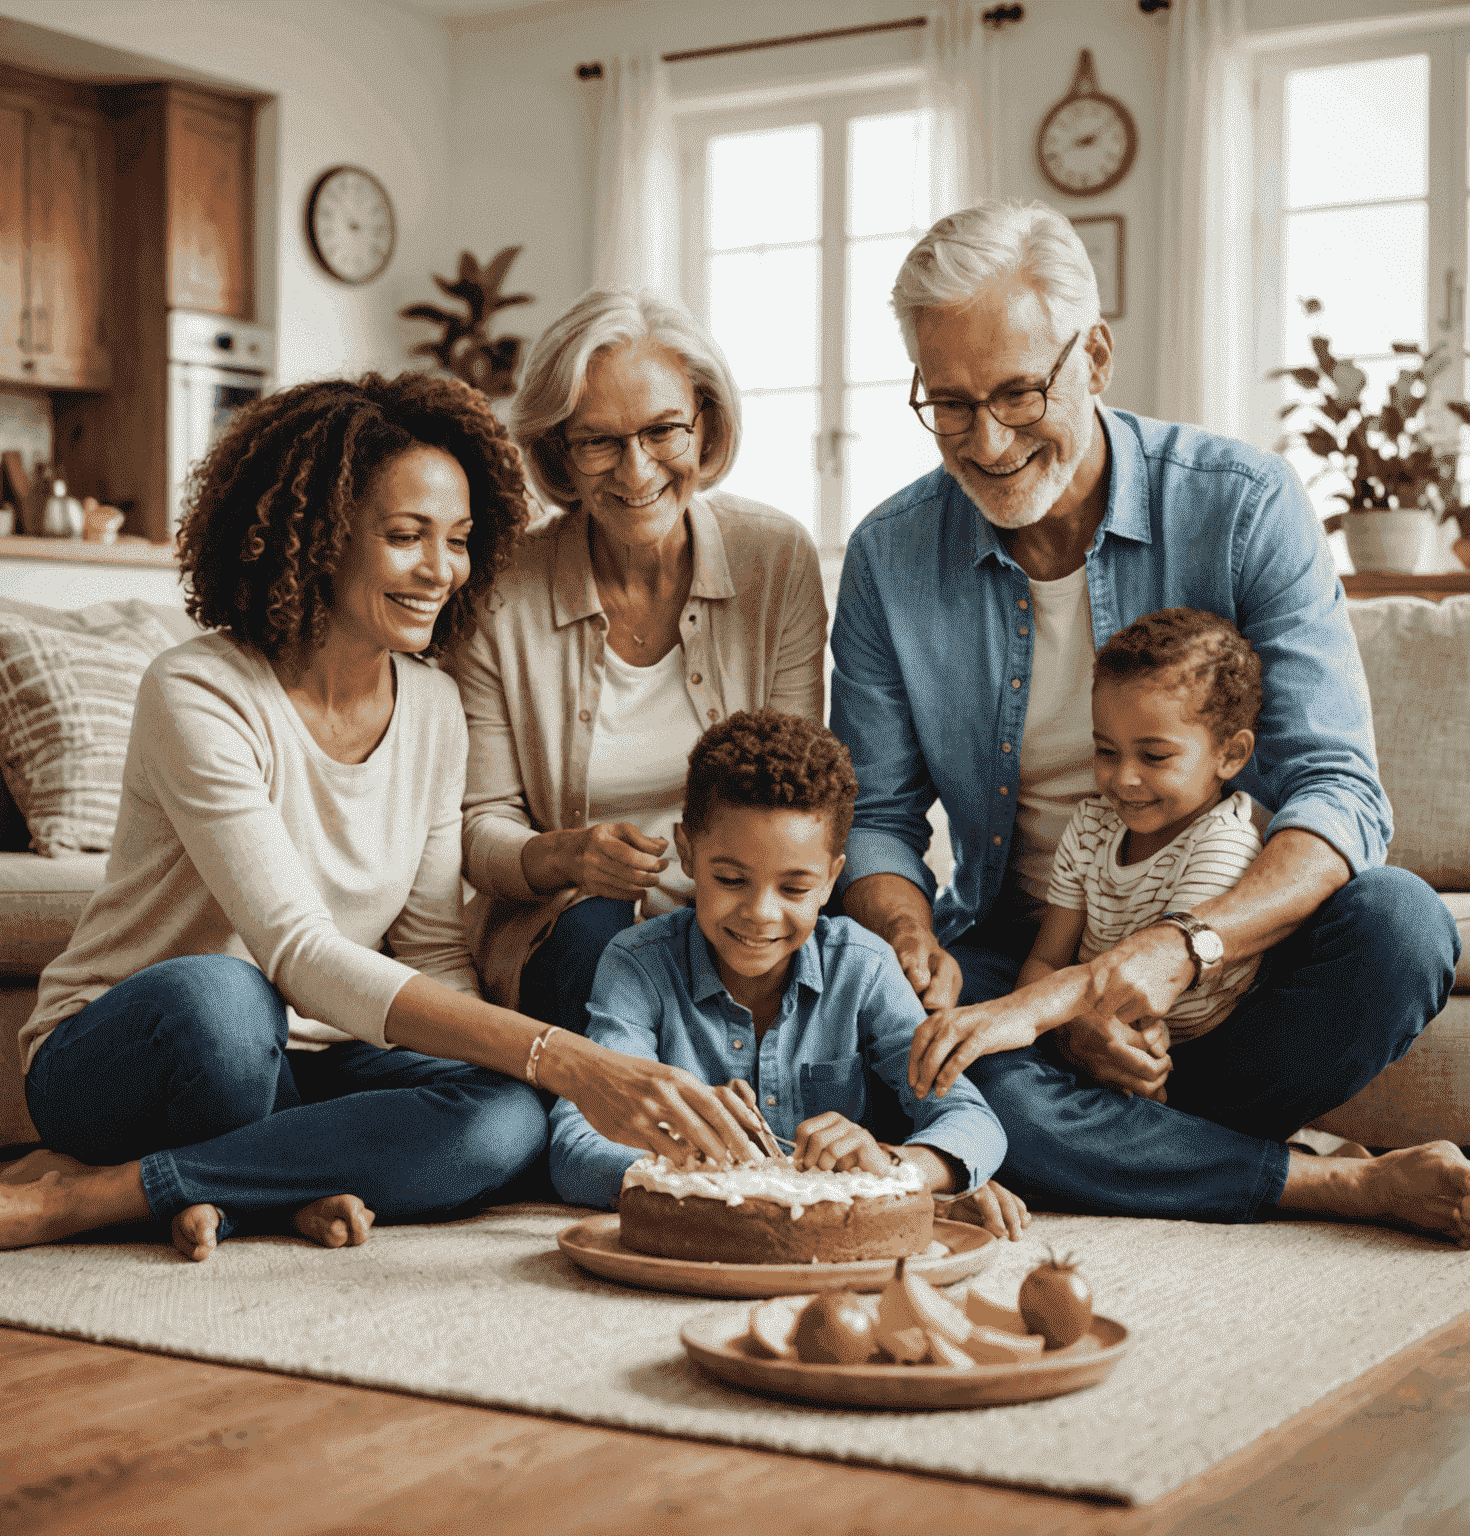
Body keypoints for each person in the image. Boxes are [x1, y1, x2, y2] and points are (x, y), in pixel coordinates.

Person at [0, 373, 758, 1264]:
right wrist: (567, 1058)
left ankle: (104, 1192)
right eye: (405, 537)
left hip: (311, 1065)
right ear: (317, 539)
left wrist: (500, 1072)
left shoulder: (436, 706)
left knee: (504, 1120)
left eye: (458, 540)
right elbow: (299, 955)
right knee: (226, 1000)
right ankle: (261, 1177)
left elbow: (435, 951)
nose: (440, 570)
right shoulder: (200, 690)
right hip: (141, 1046)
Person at [830, 198, 1468, 1243]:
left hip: (1233, 953)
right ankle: (1318, 1183)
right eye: (947, 404)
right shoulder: (890, 558)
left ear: (1098, 355)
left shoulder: (1246, 504)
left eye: (1018, 393)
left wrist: (1181, 949)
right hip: (1023, 945)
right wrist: (907, 935)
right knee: (912, 1042)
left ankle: (1111, 1140)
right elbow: (881, 819)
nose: (984, 442)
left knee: (1401, 929)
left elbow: (1338, 792)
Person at [454, 289, 827, 1040]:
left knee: (847, 962)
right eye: (598, 440)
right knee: (604, 946)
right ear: (559, 449)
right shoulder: (501, 590)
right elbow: (476, 829)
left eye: (662, 431)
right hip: (575, 929)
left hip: (744, 912)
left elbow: (798, 786)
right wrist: (566, 856)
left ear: (706, 424)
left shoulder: (775, 557)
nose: (635, 471)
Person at [548, 708, 1028, 1241]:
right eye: (730, 879)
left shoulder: (863, 965)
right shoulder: (637, 963)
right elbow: (577, 1146)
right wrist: (745, 1179)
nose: (760, 913)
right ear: (687, 852)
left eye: (795, 889)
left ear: (831, 881)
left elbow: (973, 1120)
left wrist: (901, 1172)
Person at [910, 608, 1266, 1098]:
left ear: (1230, 754)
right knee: (962, 1067)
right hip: (1083, 1027)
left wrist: (1017, 1017)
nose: (1123, 778)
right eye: (1106, 751)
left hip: (1190, 1053)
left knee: (1000, 1071)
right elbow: (1046, 961)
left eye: (1154, 756)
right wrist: (1068, 1032)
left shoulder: (1223, 844)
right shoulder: (1092, 824)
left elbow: (1137, 981)